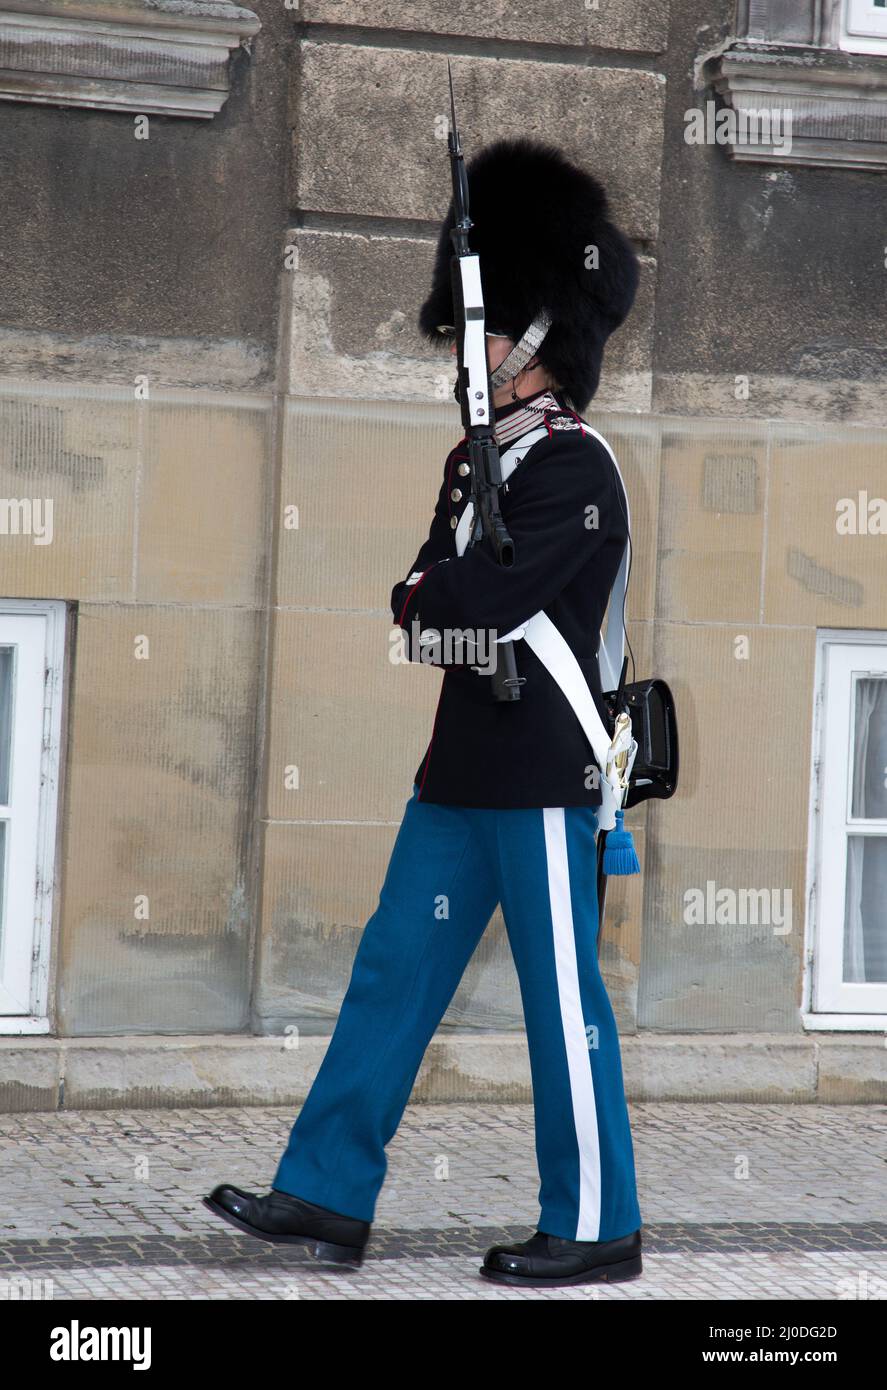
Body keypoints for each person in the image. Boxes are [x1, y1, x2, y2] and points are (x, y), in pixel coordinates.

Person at [204, 137, 643, 1288]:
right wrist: (439, 605)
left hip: (547, 776)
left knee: (563, 1008)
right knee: (390, 974)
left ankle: (597, 1222)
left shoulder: (573, 468)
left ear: (540, 336)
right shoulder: (472, 465)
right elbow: (414, 607)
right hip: (457, 774)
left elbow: (476, 597)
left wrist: (442, 604)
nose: (466, 350)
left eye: (481, 329)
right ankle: (327, 1192)